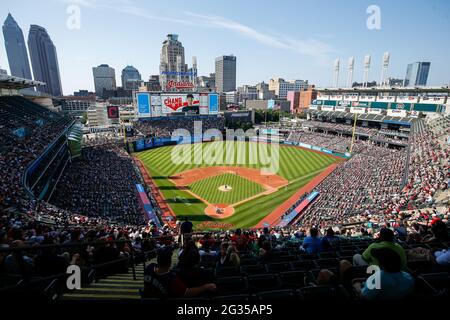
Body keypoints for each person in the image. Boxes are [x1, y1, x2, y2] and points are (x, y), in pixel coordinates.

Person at [143, 247, 216, 298]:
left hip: (147, 298)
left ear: (157, 260)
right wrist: (206, 287)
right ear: (169, 262)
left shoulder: (149, 267)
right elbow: (187, 293)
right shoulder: (171, 278)